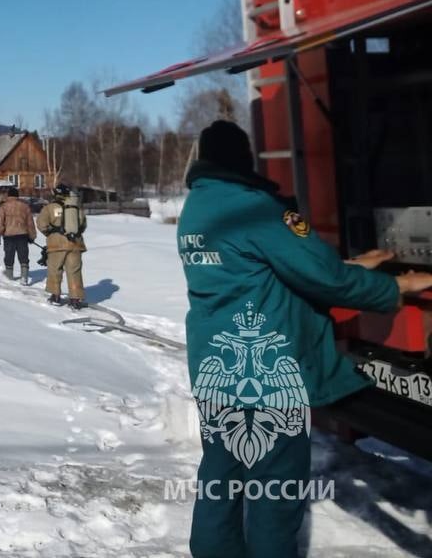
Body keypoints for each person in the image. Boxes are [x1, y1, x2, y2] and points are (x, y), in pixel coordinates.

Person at [178, 119, 432, 558]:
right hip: (270, 379)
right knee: (275, 498)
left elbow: (259, 270)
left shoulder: (196, 210)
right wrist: (396, 288)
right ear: (244, 158)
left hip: (217, 373)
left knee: (221, 481)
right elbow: (324, 280)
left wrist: (354, 264)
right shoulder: (255, 207)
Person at [38, 183, 87, 308]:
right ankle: (75, 298)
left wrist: (50, 234)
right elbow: (83, 225)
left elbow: (41, 224)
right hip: (75, 245)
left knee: (55, 270)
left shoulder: (49, 208)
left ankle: (55, 296)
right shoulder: (76, 207)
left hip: (56, 245)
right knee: (74, 271)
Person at [0, 185, 36, 282]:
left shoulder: (4, 206)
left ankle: (9, 277)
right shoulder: (25, 206)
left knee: (9, 256)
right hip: (22, 235)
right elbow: (30, 222)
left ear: (8, 196)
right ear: (17, 196)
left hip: (9, 236)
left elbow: (0, 221)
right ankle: (24, 277)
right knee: (23, 256)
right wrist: (32, 236)